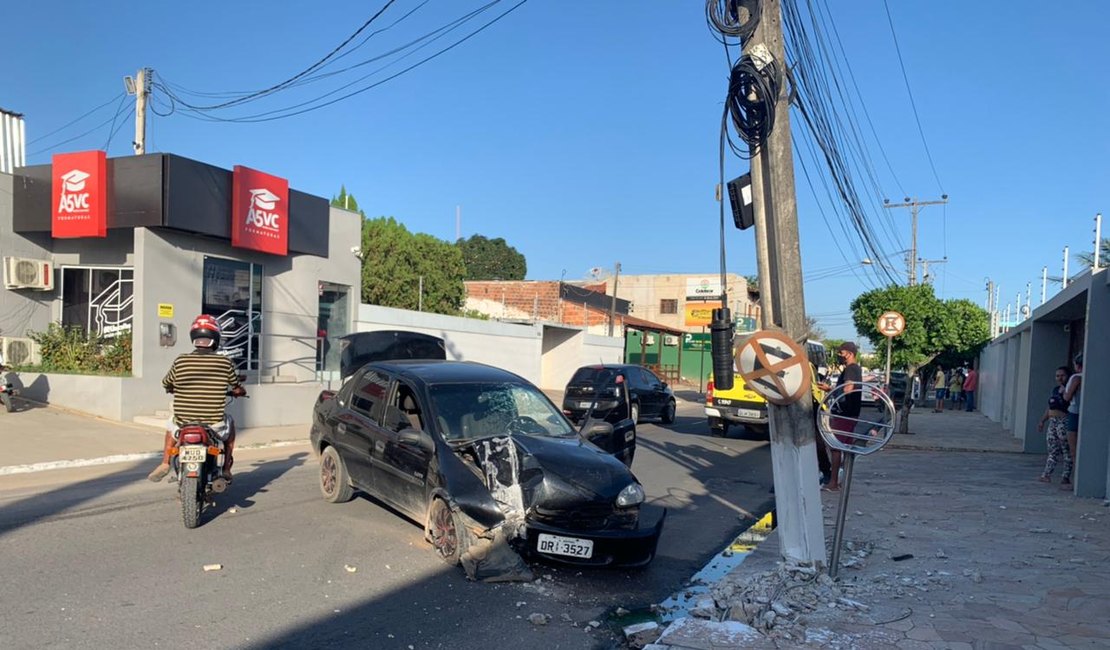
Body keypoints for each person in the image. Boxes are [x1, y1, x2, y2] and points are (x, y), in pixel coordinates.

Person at [147, 315, 245, 483]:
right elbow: (235, 385)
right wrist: (239, 390)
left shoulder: (181, 360)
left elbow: (166, 382)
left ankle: (164, 463)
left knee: (171, 426)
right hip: (213, 424)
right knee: (231, 424)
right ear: (215, 338)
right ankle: (227, 469)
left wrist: (171, 387)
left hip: (183, 423)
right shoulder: (224, 362)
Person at [818, 341, 862, 492]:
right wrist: (830, 388)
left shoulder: (851, 369)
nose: (839, 356)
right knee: (846, 447)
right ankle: (842, 481)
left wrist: (834, 392)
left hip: (845, 413)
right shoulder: (855, 369)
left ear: (849, 354)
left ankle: (833, 482)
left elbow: (848, 388)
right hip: (851, 412)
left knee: (835, 446)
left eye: (841, 353)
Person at [1037, 366, 1072, 484]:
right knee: (1052, 449)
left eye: (1062, 375)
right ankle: (1046, 474)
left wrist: (1065, 393)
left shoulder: (1069, 389)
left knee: (1066, 449)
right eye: (1057, 376)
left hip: (1063, 421)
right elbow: (1050, 407)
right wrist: (1042, 420)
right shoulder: (1055, 390)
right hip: (1053, 421)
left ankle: (1065, 476)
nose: (1060, 378)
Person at [1061, 353, 1083, 490]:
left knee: (1074, 450)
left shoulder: (1076, 378)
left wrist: (1063, 391)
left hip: (1074, 413)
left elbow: (1067, 397)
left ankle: (1077, 481)